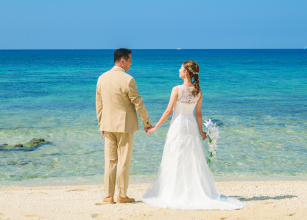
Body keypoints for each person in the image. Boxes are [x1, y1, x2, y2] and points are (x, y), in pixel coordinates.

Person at [142, 60, 244, 210]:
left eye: (181, 69)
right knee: (191, 158)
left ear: (186, 72)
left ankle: (175, 192)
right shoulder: (198, 91)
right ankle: (192, 191)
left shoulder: (176, 89)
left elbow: (168, 111)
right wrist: (201, 131)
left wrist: (155, 127)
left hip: (178, 126)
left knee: (175, 156)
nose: (178, 70)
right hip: (190, 126)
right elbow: (198, 114)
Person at [95, 48, 152, 204]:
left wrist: (101, 124)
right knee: (124, 161)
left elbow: (99, 104)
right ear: (122, 61)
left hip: (107, 125)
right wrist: (146, 122)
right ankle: (122, 195)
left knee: (110, 161)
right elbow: (138, 102)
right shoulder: (128, 79)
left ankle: (108, 196)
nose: (131, 63)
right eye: (129, 60)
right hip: (125, 126)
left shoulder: (102, 78)